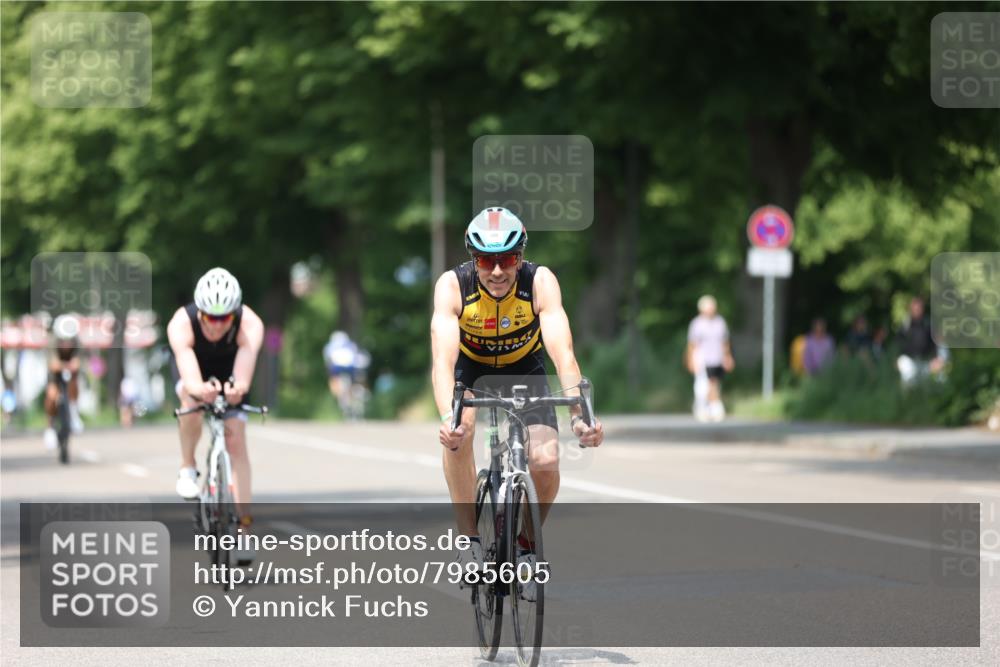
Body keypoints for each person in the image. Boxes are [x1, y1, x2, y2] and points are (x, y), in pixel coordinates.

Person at [431, 207, 604, 598]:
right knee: (461, 431)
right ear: (473, 259)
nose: (497, 271)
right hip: (471, 370)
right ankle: (469, 542)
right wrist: (448, 415)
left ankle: (526, 547)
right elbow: (443, 361)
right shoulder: (452, 286)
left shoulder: (540, 282)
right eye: (486, 260)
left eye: (507, 259)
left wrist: (579, 416)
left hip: (525, 368)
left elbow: (564, 355)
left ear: (520, 257)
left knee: (544, 461)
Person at [166, 268, 264, 558]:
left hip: (230, 368)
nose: (217, 325)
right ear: (200, 313)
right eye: (210, 317)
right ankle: (187, 466)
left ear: (234, 314)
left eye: (224, 318)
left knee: (236, 440)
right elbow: (186, 363)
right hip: (195, 367)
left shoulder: (250, 324)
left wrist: (238, 388)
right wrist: (198, 389)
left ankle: (245, 532)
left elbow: (244, 372)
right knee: (191, 405)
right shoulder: (181, 323)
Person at [685, 295, 734, 422]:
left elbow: (725, 341)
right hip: (702, 358)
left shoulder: (720, 322)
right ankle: (710, 408)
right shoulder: (697, 324)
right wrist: (690, 359)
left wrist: (727, 356)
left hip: (717, 358)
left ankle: (710, 407)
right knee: (703, 384)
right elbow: (692, 344)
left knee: (714, 382)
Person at [43, 314, 84, 449]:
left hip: (70, 372)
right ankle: (50, 427)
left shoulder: (77, 341)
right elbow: (53, 364)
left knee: (74, 382)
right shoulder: (51, 341)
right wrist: (63, 365)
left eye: (69, 341)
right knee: (52, 394)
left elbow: (78, 361)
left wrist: (74, 365)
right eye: (63, 341)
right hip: (55, 373)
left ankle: (73, 411)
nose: (67, 344)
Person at [895, 296, 947, 387]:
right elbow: (898, 344)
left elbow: (937, 342)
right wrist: (896, 359)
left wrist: (938, 359)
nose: (917, 310)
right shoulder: (905, 325)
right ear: (911, 309)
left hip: (926, 361)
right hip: (910, 361)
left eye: (919, 308)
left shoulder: (928, 324)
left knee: (940, 377)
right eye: (915, 308)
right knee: (906, 374)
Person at [323, 330, 371, 418]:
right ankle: (358, 391)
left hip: (337, 368)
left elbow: (327, 361)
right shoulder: (350, 344)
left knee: (334, 381)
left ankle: (340, 395)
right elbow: (358, 357)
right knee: (355, 381)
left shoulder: (330, 346)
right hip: (351, 367)